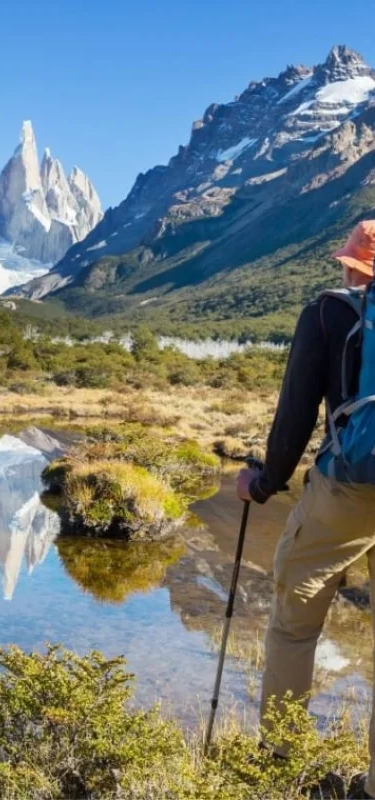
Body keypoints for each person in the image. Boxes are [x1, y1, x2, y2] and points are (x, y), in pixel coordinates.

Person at [236, 219, 375, 799]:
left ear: (351, 265)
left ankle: (282, 759)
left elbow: (294, 415)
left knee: (295, 623)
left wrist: (263, 483)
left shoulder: (327, 313)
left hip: (346, 490)